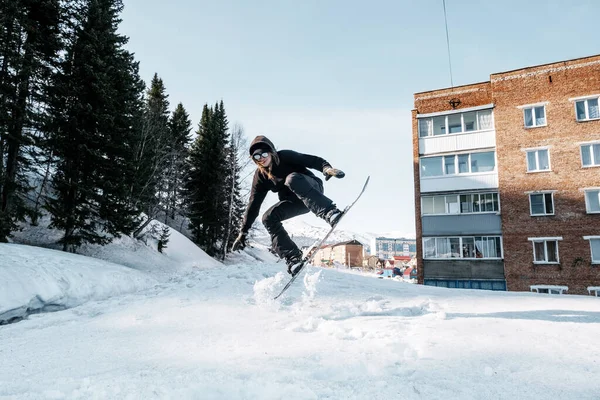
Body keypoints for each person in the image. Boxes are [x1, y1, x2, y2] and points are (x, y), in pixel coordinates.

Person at [231, 135, 345, 275]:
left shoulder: (285, 156)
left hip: (312, 189)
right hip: (296, 202)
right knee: (268, 218)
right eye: (257, 156)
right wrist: (243, 231)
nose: (261, 158)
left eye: (264, 153)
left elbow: (310, 160)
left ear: (271, 152)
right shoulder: (260, 177)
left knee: (291, 179)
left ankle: (330, 212)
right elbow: (253, 204)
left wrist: (326, 168)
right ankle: (293, 258)